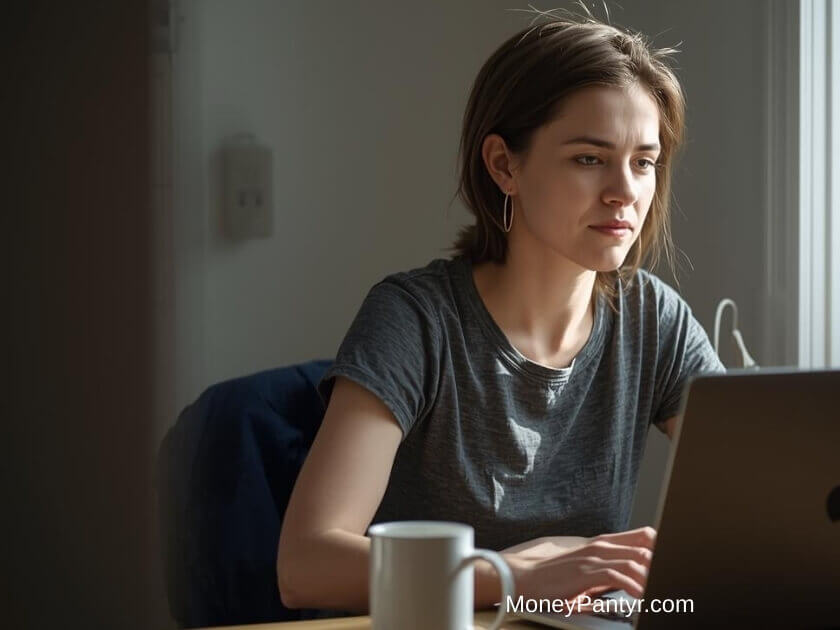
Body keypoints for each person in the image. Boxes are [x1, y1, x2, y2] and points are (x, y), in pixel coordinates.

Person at [276, 11, 724, 614]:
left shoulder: (652, 318)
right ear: (503, 165)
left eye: (643, 161)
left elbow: (759, 489)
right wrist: (515, 576)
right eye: (589, 158)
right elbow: (307, 565)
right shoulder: (415, 319)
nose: (625, 191)